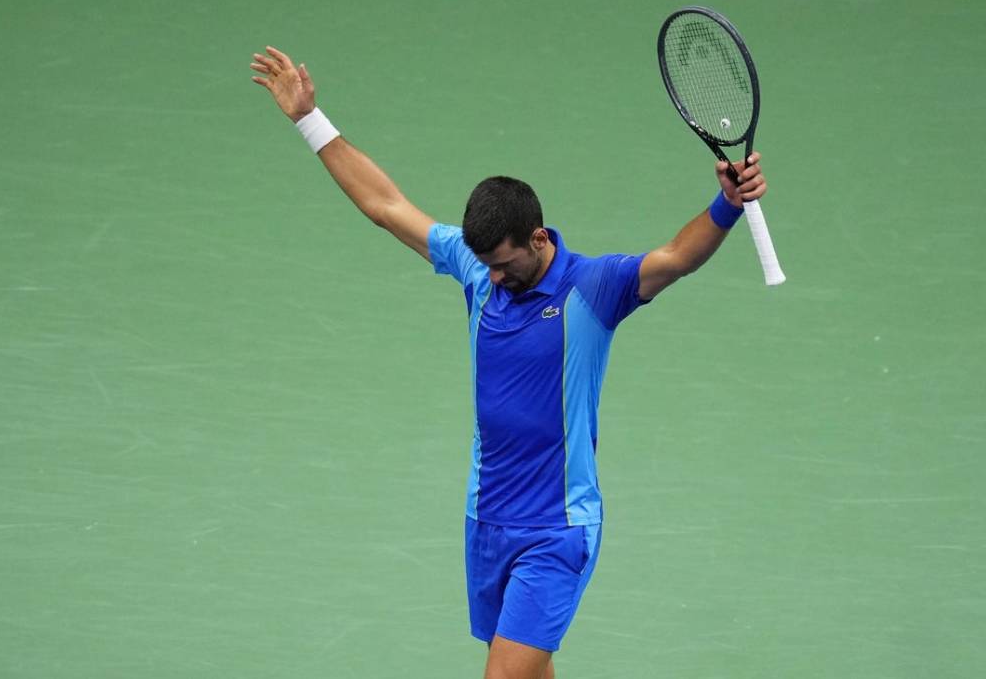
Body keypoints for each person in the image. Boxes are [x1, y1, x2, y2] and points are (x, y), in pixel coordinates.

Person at [250, 45, 767, 679]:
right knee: (528, 669)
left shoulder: (593, 289)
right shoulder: (477, 271)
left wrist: (727, 206)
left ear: (539, 239)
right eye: (485, 264)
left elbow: (676, 257)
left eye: (504, 262)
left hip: (557, 529)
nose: (492, 276)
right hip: (486, 518)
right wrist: (310, 119)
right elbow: (385, 205)